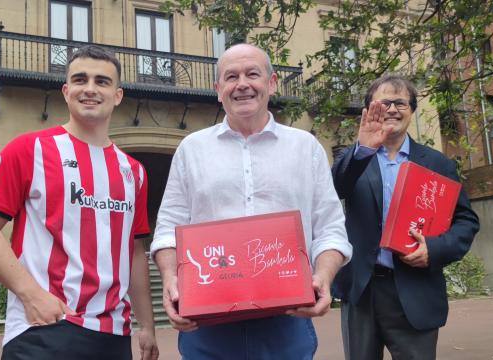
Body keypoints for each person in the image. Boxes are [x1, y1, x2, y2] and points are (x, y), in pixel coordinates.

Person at [150, 43, 353, 359]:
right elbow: (167, 230)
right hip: (208, 321)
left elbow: (330, 229)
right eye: (231, 77)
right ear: (219, 90)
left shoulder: (306, 148)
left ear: (271, 84)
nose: (242, 84)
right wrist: (171, 279)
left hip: (288, 319)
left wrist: (323, 276)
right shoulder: (192, 149)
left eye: (252, 74)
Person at [0, 45, 159, 360]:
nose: (90, 89)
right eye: (80, 80)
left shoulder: (133, 172)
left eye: (102, 81)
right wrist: (31, 296)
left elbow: (135, 252)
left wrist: (147, 326)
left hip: (113, 337)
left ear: (118, 95)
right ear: (66, 91)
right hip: (44, 327)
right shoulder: (29, 150)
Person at [331, 74, 480, 360]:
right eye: (383, 102)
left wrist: (434, 249)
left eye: (400, 103)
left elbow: (466, 221)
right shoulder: (354, 158)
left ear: (411, 110)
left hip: (415, 290)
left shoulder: (437, 163)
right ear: (369, 110)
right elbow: (334, 188)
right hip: (362, 290)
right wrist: (363, 148)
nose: (391, 109)